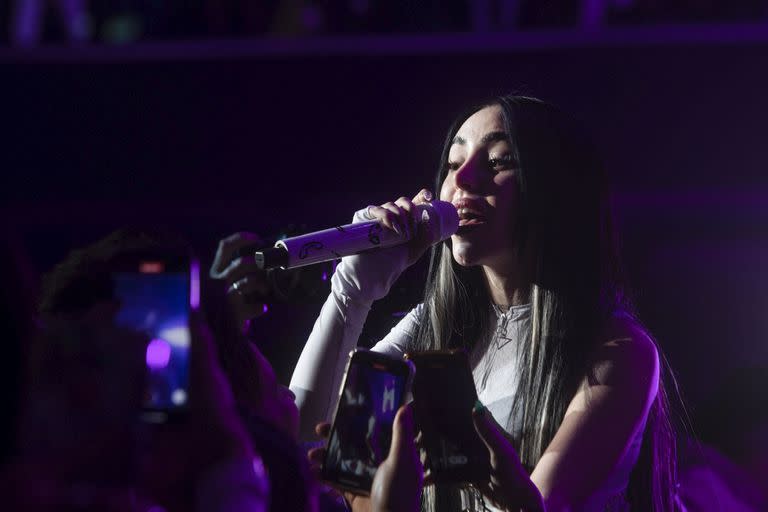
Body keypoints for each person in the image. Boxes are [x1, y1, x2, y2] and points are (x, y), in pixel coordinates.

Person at [277, 94, 679, 511]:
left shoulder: (618, 351)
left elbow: (544, 503)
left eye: (500, 161)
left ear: (555, 188)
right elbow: (301, 440)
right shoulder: (431, 326)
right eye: (453, 164)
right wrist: (353, 290)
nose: (463, 180)